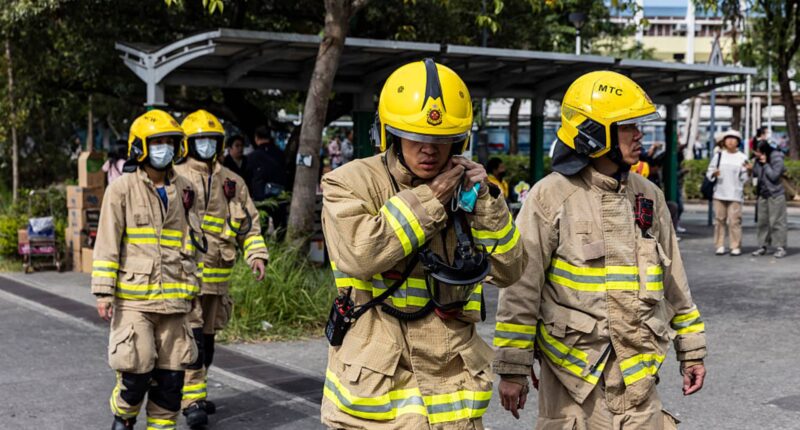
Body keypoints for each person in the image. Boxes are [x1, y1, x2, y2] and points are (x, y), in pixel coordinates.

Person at [319, 58, 525, 429]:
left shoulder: (473, 192)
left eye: (442, 138)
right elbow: (361, 254)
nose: (430, 148)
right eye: (417, 136)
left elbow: (510, 270)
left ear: (459, 140)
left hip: (451, 390)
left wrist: (487, 206)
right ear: (392, 134)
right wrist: (430, 200)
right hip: (376, 394)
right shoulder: (348, 183)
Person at [494, 71, 707, 429]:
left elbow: (675, 284)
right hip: (572, 380)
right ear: (593, 133)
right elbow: (521, 288)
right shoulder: (550, 197)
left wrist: (692, 350)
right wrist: (513, 367)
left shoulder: (648, 196)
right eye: (627, 126)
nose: (639, 134)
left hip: (638, 380)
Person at [91, 109, 201, 430]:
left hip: (176, 300)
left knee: (170, 382)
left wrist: (192, 289)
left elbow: (190, 243)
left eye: (170, 142)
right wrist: (103, 291)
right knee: (135, 376)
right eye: (157, 142)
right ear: (140, 146)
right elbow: (108, 242)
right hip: (134, 300)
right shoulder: (121, 189)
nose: (164, 148)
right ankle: (123, 417)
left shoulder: (185, 188)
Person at [173, 110, 270, 427]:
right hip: (184, 279)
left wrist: (256, 255)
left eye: (210, 140)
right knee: (194, 343)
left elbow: (251, 228)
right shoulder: (175, 179)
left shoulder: (233, 182)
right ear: (188, 144)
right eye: (199, 140)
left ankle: (188, 392)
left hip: (217, 283)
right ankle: (192, 401)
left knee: (208, 346)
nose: (205, 146)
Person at [707, 130, 750, 256]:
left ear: (738, 142)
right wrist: (713, 174)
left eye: (734, 139)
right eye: (728, 139)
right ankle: (719, 245)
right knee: (719, 220)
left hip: (735, 194)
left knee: (734, 221)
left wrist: (749, 172)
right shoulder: (719, 156)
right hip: (719, 193)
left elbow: (744, 178)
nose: (731, 141)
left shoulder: (742, 157)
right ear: (724, 141)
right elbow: (709, 172)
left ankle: (735, 246)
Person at [244, 126, 288, 238]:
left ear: (256, 138)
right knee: (280, 226)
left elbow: (247, 176)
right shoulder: (280, 154)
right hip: (279, 196)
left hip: (260, 196)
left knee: (260, 227)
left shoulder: (252, 156)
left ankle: (261, 249)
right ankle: (281, 247)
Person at [752, 140, 788, 258]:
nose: (756, 153)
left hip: (775, 194)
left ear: (764, 151)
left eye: (758, 151)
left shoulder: (776, 158)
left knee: (777, 221)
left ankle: (780, 247)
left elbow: (774, 176)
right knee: (762, 221)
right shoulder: (757, 160)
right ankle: (762, 246)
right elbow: (756, 175)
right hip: (763, 194)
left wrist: (766, 164)